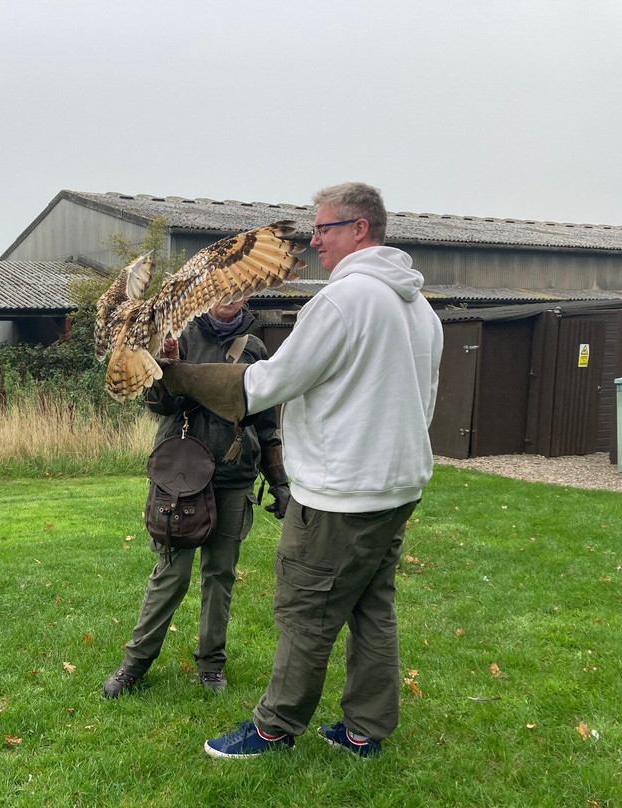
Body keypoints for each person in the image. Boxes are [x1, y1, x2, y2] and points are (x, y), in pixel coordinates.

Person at [160, 182, 443, 757]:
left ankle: (274, 728)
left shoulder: (343, 301)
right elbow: (424, 399)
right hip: (397, 488)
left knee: (305, 611)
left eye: (324, 229)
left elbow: (264, 385)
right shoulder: (419, 308)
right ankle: (364, 731)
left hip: (341, 494)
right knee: (372, 608)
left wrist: (178, 374)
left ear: (359, 229)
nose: (314, 242)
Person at [102, 299, 290, 698]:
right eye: (222, 287)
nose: (229, 296)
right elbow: (158, 406)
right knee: (171, 574)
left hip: (235, 475)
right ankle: (134, 664)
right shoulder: (178, 335)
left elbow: (266, 422)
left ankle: (211, 665)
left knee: (220, 576)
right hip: (181, 475)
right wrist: (169, 364)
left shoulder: (255, 348)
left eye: (237, 288)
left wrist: (279, 482)